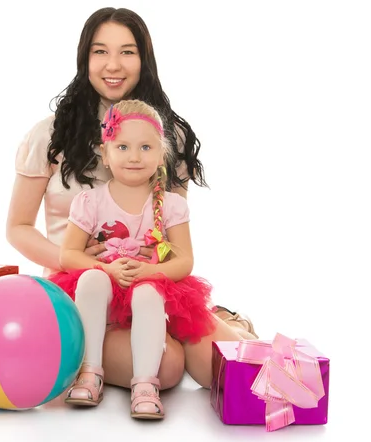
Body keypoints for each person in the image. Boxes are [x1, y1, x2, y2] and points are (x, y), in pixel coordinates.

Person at [6, 7, 257, 392]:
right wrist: (80, 260)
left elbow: (170, 232)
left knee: (227, 367)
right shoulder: (48, 136)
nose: (113, 64)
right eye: (100, 51)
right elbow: (18, 228)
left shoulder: (168, 137)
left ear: (144, 59)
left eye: (127, 51)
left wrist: (151, 267)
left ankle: (226, 323)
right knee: (167, 367)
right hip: (83, 290)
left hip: (148, 284)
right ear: (84, 58)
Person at [50, 99, 220, 419]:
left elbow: (184, 261)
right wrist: (107, 268)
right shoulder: (90, 201)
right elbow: (68, 254)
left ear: (160, 155)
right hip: (104, 287)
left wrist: (149, 271)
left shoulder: (171, 205)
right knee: (91, 277)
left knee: (148, 290)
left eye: (145, 147)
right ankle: (89, 371)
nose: (134, 156)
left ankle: (145, 384)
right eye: (124, 147)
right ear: (105, 152)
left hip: (143, 292)